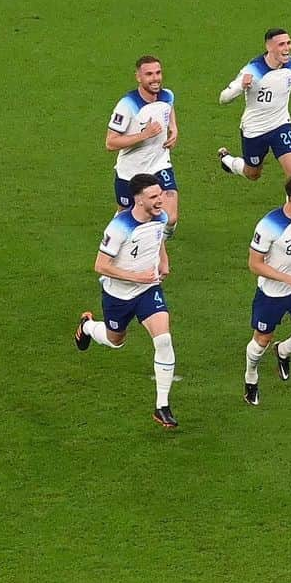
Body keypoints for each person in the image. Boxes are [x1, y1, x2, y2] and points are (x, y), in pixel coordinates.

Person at [74, 173, 178, 429]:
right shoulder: (118, 228)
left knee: (163, 339)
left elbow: (158, 240)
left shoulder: (160, 217)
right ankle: (87, 326)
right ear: (138, 201)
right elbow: (100, 265)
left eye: (161, 194)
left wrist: (163, 262)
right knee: (114, 340)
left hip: (148, 291)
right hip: (118, 296)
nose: (160, 200)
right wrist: (135, 276)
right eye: (153, 197)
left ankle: (162, 406)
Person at [242, 173, 291, 404]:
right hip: (271, 293)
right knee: (261, 341)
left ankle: (283, 350)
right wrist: (287, 278)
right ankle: (251, 377)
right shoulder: (268, 225)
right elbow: (254, 264)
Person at [218, 28, 291, 181]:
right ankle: (227, 160)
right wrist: (241, 86)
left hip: (281, 124)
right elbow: (223, 98)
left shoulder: (290, 63)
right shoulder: (252, 70)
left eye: (288, 43)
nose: (287, 48)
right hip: (255, 130)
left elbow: (288, 76)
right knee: (252, 174)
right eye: (281, 44)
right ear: (269, 47)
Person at [106, 55, 180, 239]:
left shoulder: (166, 95)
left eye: (158, 73)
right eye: (149, 74)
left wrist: (174, 128)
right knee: (125, 218)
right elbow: (110, 143)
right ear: (138, 77)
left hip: (159, 164)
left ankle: (160, 242)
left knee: (170, 218)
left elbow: (169, 108)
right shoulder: (127, 105)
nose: (155, 78)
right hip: (130, 172)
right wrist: (144, 135)